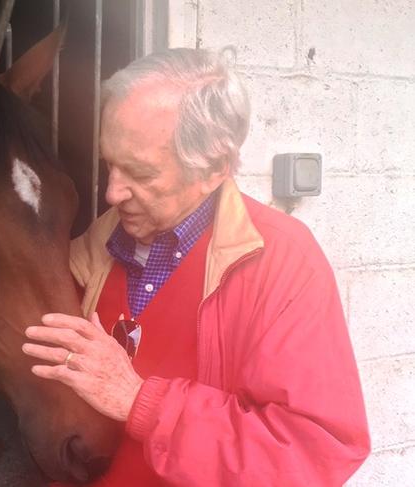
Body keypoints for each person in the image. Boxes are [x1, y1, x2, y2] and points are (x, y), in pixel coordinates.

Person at [22, 47, 370, 486]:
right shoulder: (96, 243)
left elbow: (311, 456)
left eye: (141, 174)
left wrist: (138, 401)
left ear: (214, 168)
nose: (111, 193)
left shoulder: (283, 263)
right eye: (110, 164)